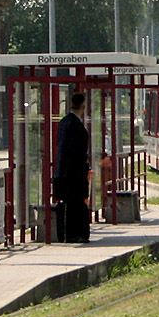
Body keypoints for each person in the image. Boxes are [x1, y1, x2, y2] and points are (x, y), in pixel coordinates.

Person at [55, 92, 91, 243]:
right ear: (83, 106)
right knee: (76, 204)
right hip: (74, 174)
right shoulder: (77, 127)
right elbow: (77, 153)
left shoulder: (64, 122)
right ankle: (76, 234)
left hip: (62, 173)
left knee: (68, 204)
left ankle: (67, 234)